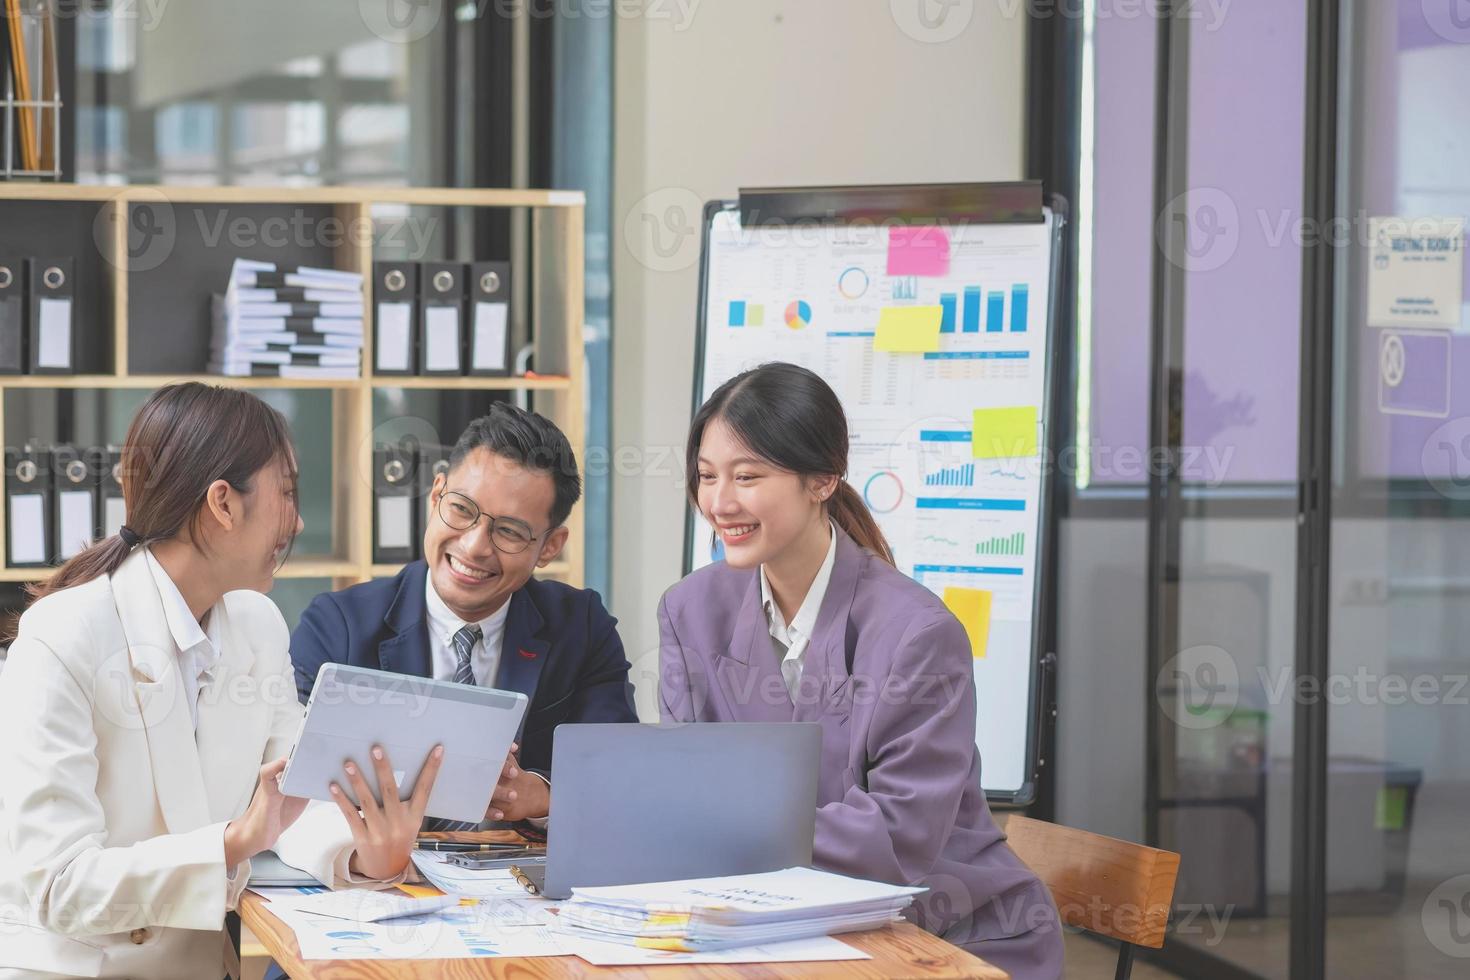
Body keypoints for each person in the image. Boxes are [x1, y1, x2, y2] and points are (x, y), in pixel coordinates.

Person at [0, 383, 443, 980]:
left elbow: (295, 798)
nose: (299, 519)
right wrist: (233, 841)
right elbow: (59, 887)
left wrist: (364, 853)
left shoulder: (256, 624)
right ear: (224, 504)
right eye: (286, 492)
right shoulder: (64, 635)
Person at [657, 362, 1064, 977]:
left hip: (949, 938)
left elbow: (897, 832)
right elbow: (684, 786)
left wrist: (723, 824)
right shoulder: (689, 610)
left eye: (748, 476)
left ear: (822, 480)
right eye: (707, 476)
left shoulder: (920, 634)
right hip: (782, 928)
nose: (719, 502)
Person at [291, 402, 635, 833]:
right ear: (436, 496)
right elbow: (294, 792)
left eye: (509, 530)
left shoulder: (581, 628)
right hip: (372, 882)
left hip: (521, 883)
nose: (474, 546)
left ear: (550, 546)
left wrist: (541, 795)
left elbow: (621, 778)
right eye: (461, 510)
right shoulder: (337, 627)